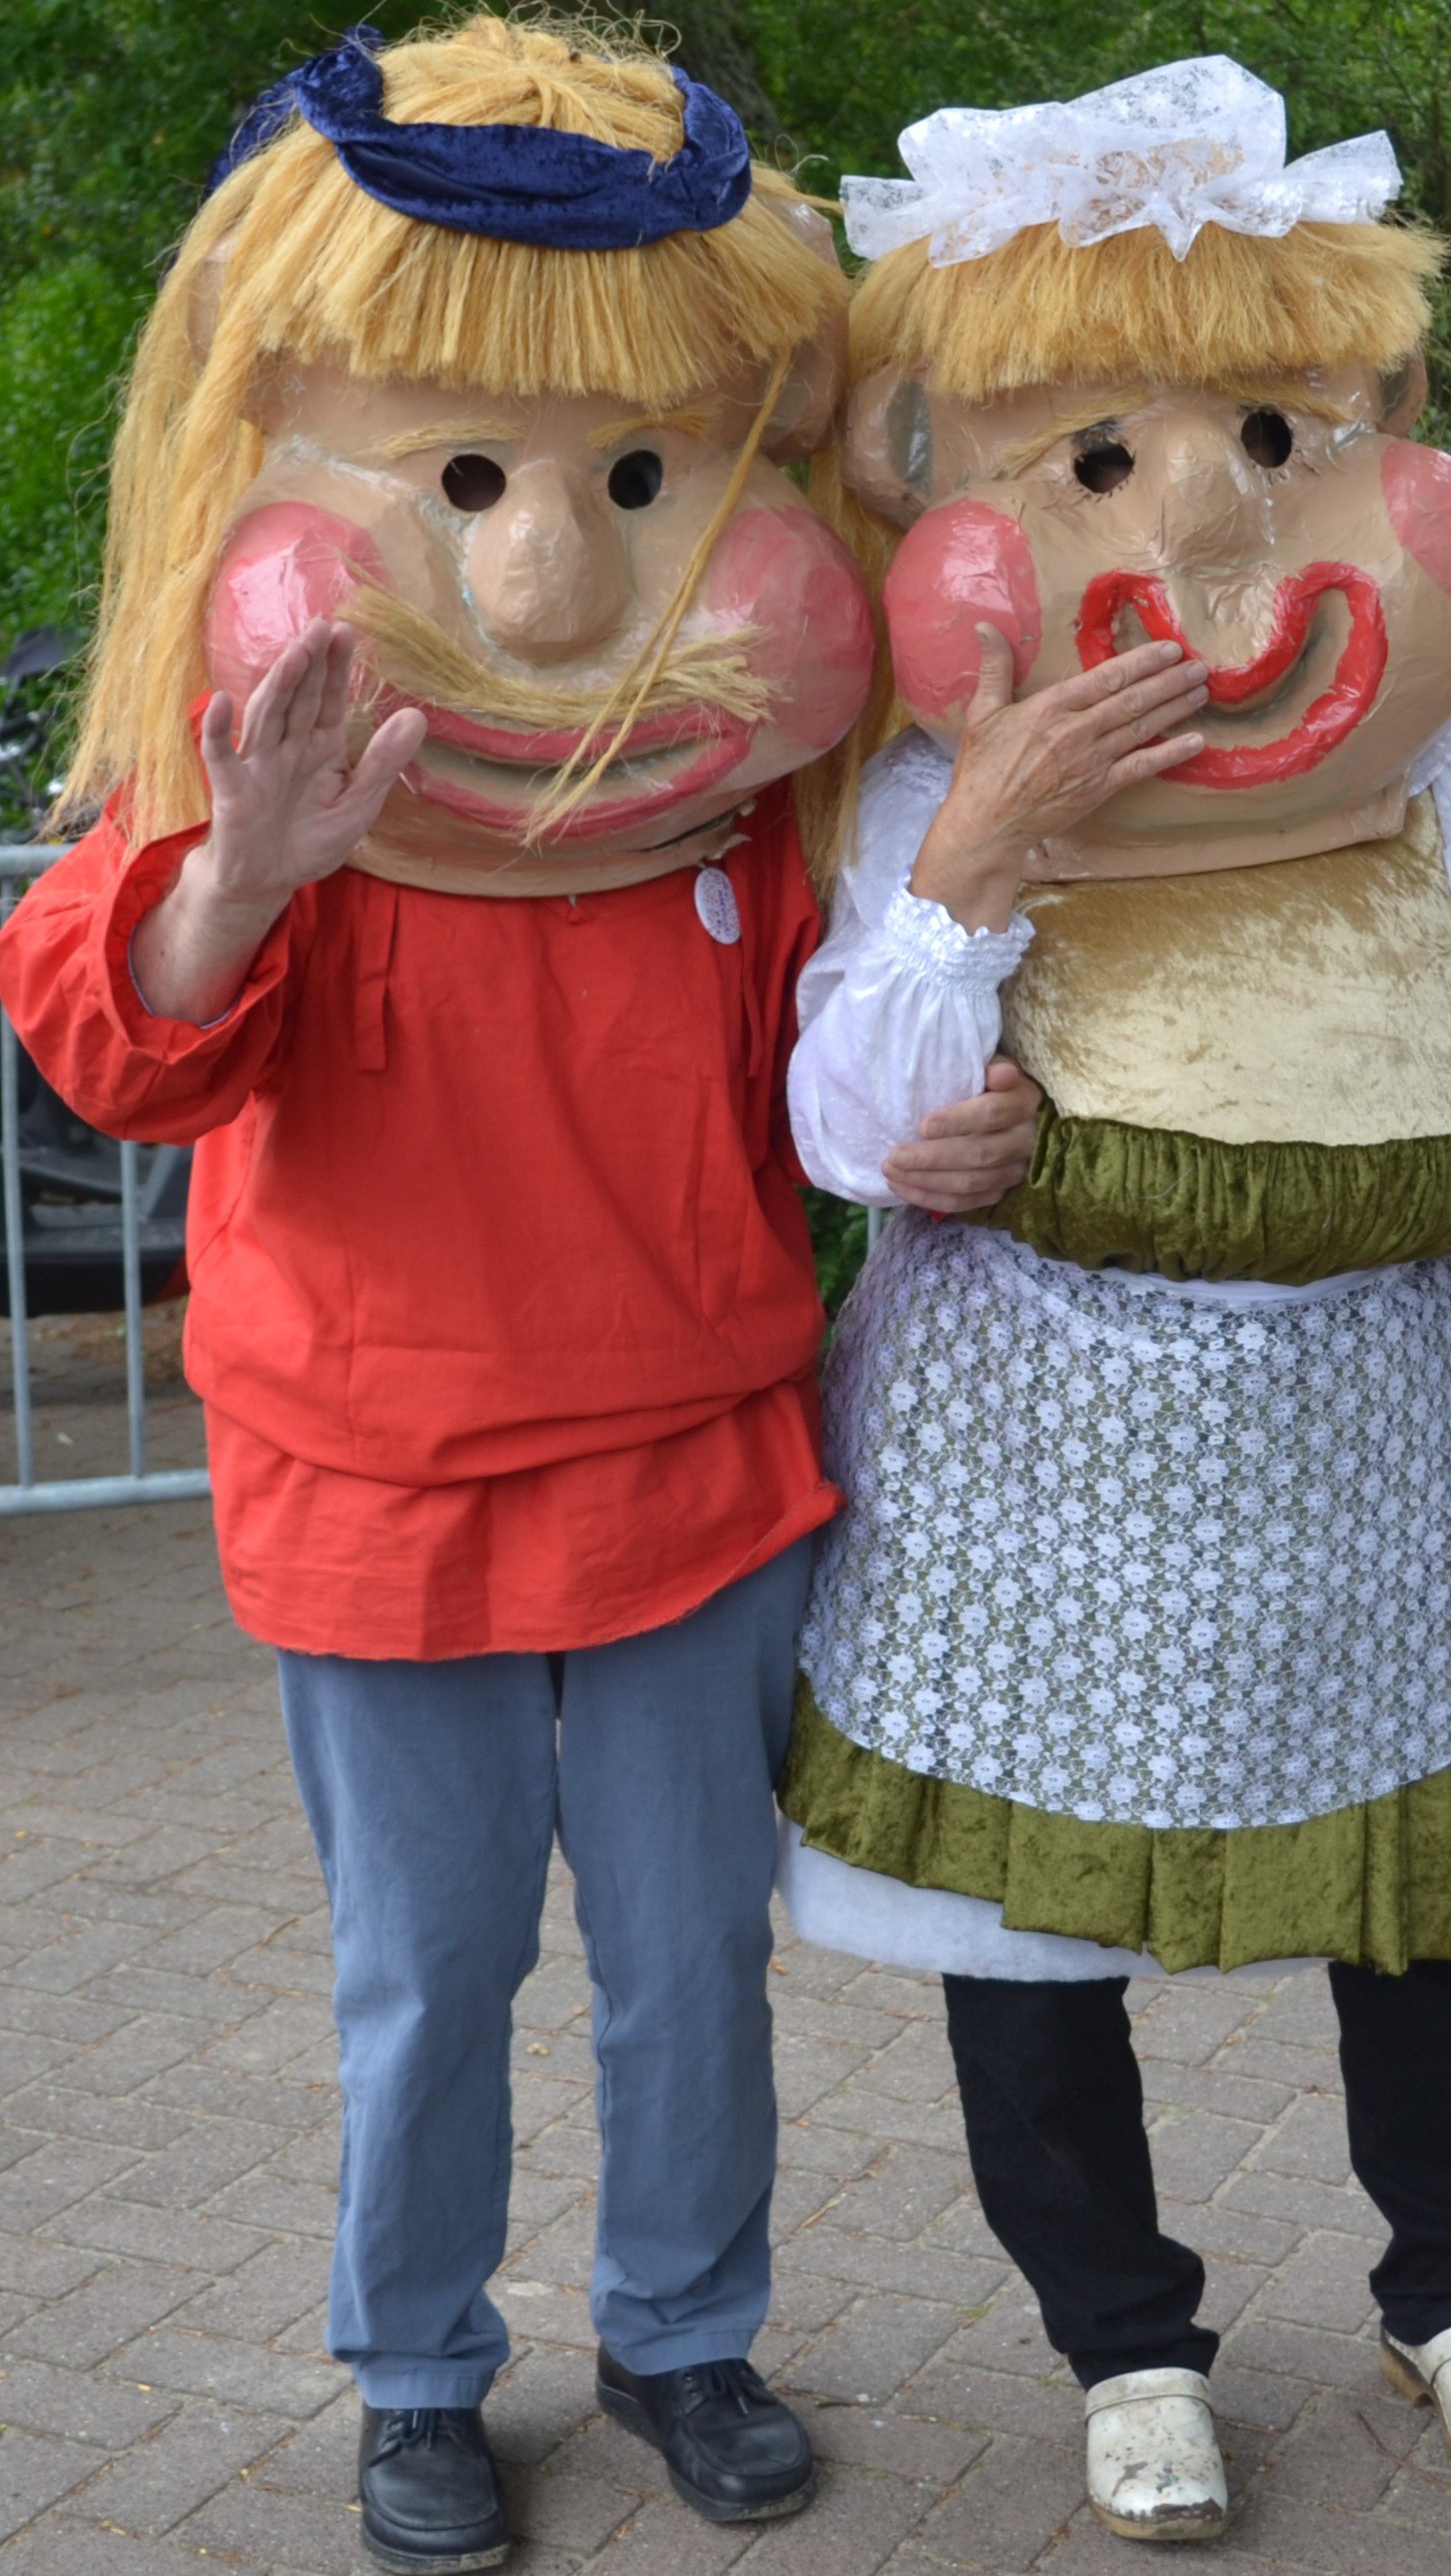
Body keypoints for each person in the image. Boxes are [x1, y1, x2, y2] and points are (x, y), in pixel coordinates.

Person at [0, 20, 1016, 2570]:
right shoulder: (269, 765)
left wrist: (931, 1130)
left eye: (641, 483)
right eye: (460, 482)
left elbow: (841, 1044)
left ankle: (683, 2330)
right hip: (375, 1490)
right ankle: (419, 2365)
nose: (553, 581)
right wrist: (244, 868)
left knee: (690, 1966)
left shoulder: (749, 811)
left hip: (691, 1468)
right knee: (424, 1981)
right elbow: (111, 1045)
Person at [776, 56, 1451, 2543]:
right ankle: (1122, 2341)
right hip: (1050, 1449)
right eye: (1092, 458)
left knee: (1422, 1916)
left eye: (1274, 434)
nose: (1204, 519)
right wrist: (973, 876)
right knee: (1037, 1929)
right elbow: (836, 1107)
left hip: (1388, 1443)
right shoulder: (921, 791)